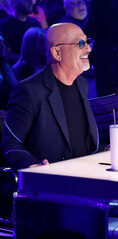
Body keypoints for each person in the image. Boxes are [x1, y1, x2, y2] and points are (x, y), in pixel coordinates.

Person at [0, 23, 99, 170]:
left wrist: (107, 149)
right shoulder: (29, 91)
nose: (88, 48)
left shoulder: (82, 84)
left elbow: (82, 140)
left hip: (87, 171)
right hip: (53, 178)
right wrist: (33, 165)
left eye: (87, 42)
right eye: (80, 43)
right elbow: (10, 142)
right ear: (56, 53)